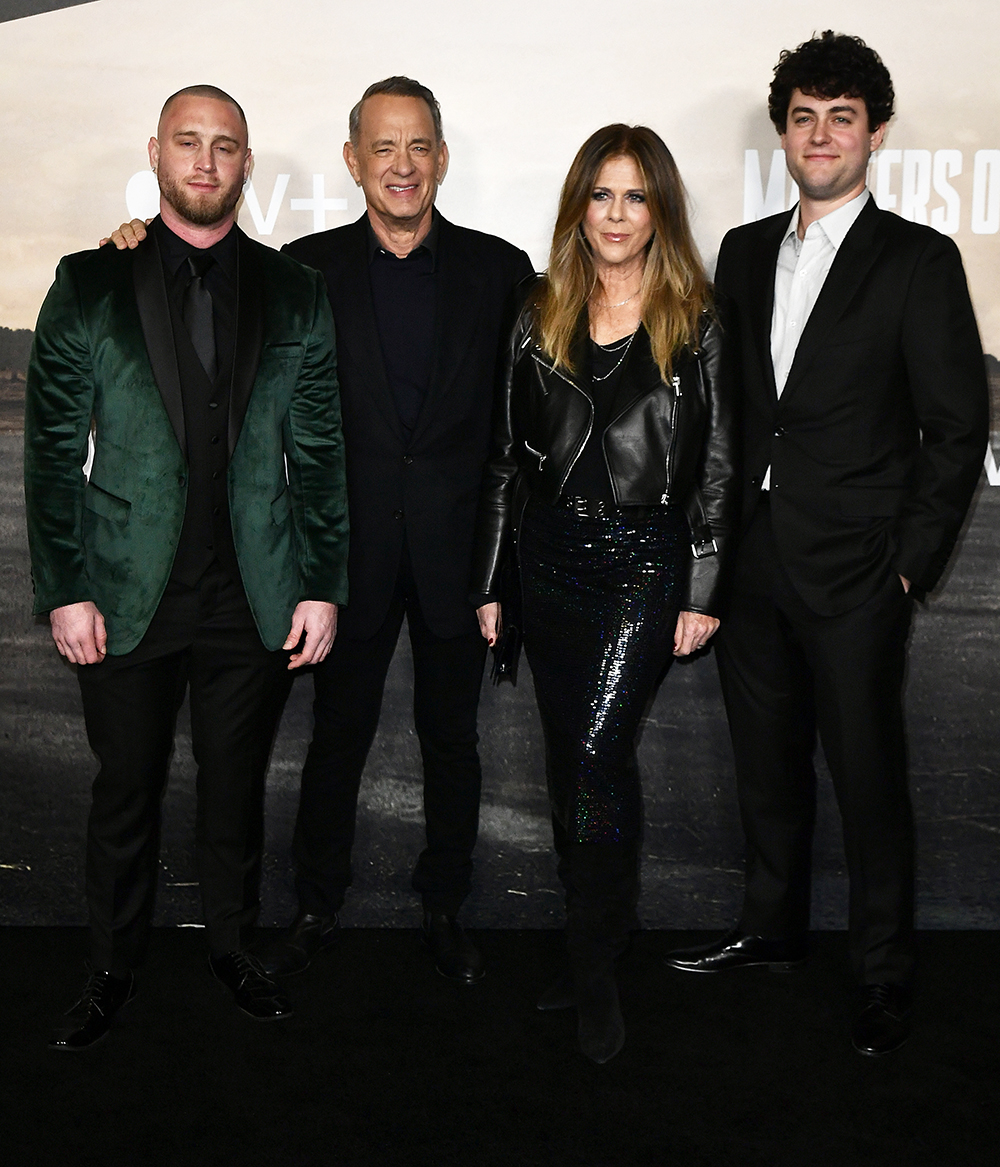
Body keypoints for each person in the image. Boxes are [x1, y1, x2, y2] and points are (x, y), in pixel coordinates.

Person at [109, 77, 533, 982]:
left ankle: (445, 906)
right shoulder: (300, 270)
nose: (403, 165)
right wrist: (132, 242)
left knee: (451, 740)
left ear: (443, 158)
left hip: (463, 556)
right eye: (383, 147)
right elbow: (195, 270)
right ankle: (316, 905)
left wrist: (507, 565)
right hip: (343, 559)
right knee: (336, 739)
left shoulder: (502, 271)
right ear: (353, 161)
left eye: (419, 146)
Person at [664, 32, 989, 1057]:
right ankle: (771, 931)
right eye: (803, 115)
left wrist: (907, 563)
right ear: (782, 130)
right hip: (754, 560)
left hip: (858, 569)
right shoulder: (746, 251)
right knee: (765, 765)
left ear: (874, 133)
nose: (820, 134)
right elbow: (731, 409)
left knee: (866, 774)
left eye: (840, 117)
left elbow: (955, 426)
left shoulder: (919, 260)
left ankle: (884, 976)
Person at [25, 85, 348, 1049]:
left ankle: (232, 948)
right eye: (188, 142)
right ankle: (112, 966)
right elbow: (50, 451)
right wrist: (67, 587)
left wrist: (322, 579)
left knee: (233, 788)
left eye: (226, 146)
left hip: (251, 591)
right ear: (156, 153)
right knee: (124, 790)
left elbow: (320, 449)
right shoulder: (88, 281)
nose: (206, 161)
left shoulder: (297, 291)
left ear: (247, 165)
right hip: (123, 593)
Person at [471, 125, 737, 1062]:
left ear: (658, 207)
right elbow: (505, 460)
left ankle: (590, 971)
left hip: (643, 566)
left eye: (635, 196)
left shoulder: (696, 315)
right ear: (578, 206)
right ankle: (603, 927)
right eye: (601, 195)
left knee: (592, 755)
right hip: (546, 564)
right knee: (571, 766)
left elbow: (718, 469)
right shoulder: (536, 308)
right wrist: (494, 581)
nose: (617, 215)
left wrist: (703, 584)